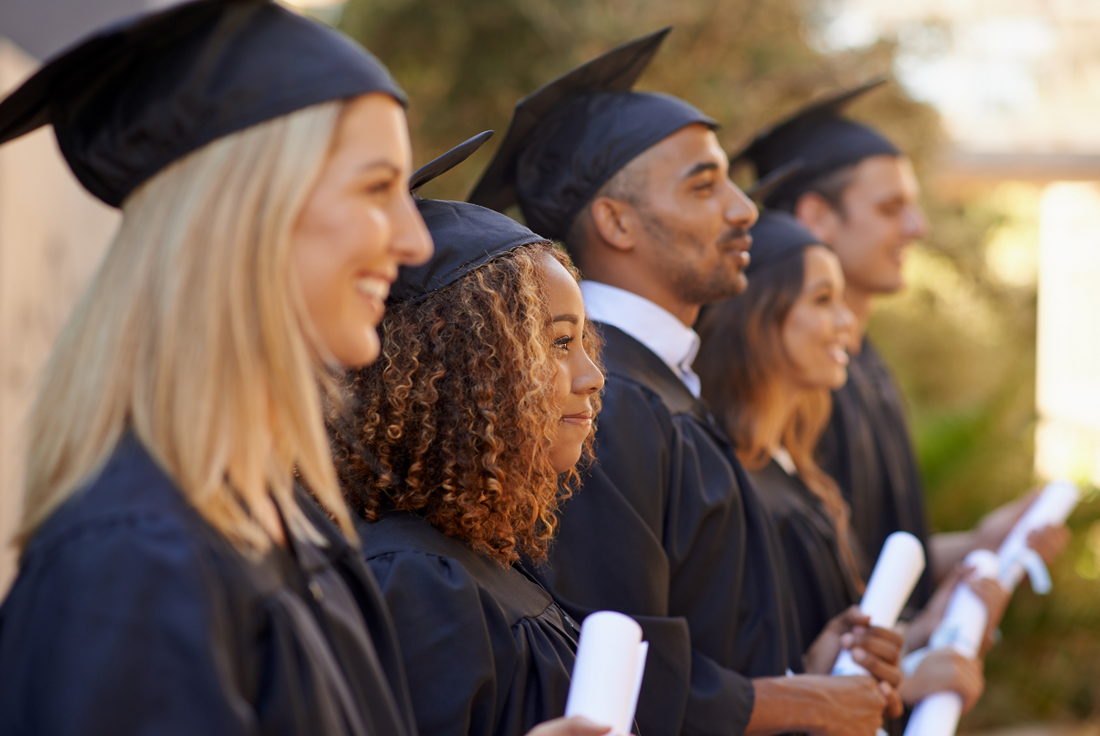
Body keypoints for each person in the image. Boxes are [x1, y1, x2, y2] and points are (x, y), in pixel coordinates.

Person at [0, 5, 605, 736]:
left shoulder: (275, 526)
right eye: (373, 189)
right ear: (245, 213)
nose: (414, 240)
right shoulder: (136, 562)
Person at [470, 29, 905, 736]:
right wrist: (805, 703)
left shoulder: (663, 389)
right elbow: (610, 663)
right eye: (704, 184)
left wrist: (810, 667)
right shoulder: (606, 402)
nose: (744, 209)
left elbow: (702, 635)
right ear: (616, 221)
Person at [732, 79, 1070, 617]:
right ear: (816, 216)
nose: (918, 226)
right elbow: (812, 591)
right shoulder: (790, 382)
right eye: (891, 208)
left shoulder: (866, 364)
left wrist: (985, 543)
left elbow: (871, 559)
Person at [329, 134, 604, 736]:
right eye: (558, 343)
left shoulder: (475, 557)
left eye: (584, 342)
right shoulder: (412, 577)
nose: (591, 376)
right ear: (463, 373)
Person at [695, 209, 992, 718]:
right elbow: (756, 676)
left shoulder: (795, 468)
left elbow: (827, 648)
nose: (848, 323)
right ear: (760, 317)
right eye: (822, 300)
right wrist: (912, 679)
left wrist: (927, 630)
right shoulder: (727, 482)